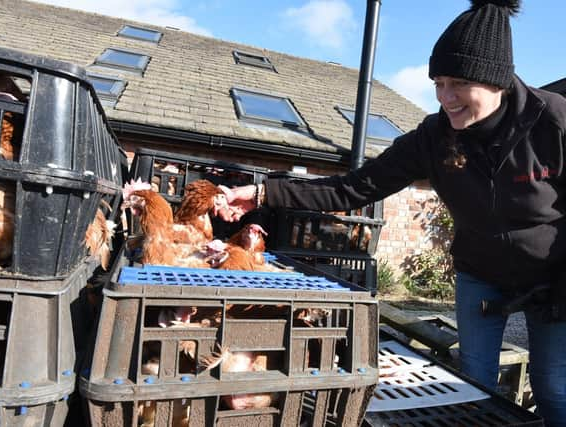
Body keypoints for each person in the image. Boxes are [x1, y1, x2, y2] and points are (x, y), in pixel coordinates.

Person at [217, 1, 566, 425]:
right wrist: (262, 193)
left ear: (496, 82)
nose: (444, 97)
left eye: (458, 83)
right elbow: (352, 187)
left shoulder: (554, 123)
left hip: (552, 278)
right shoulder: (434, 138)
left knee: (555, 386)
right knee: (474, 382)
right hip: (481, 273)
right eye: (438, 82)